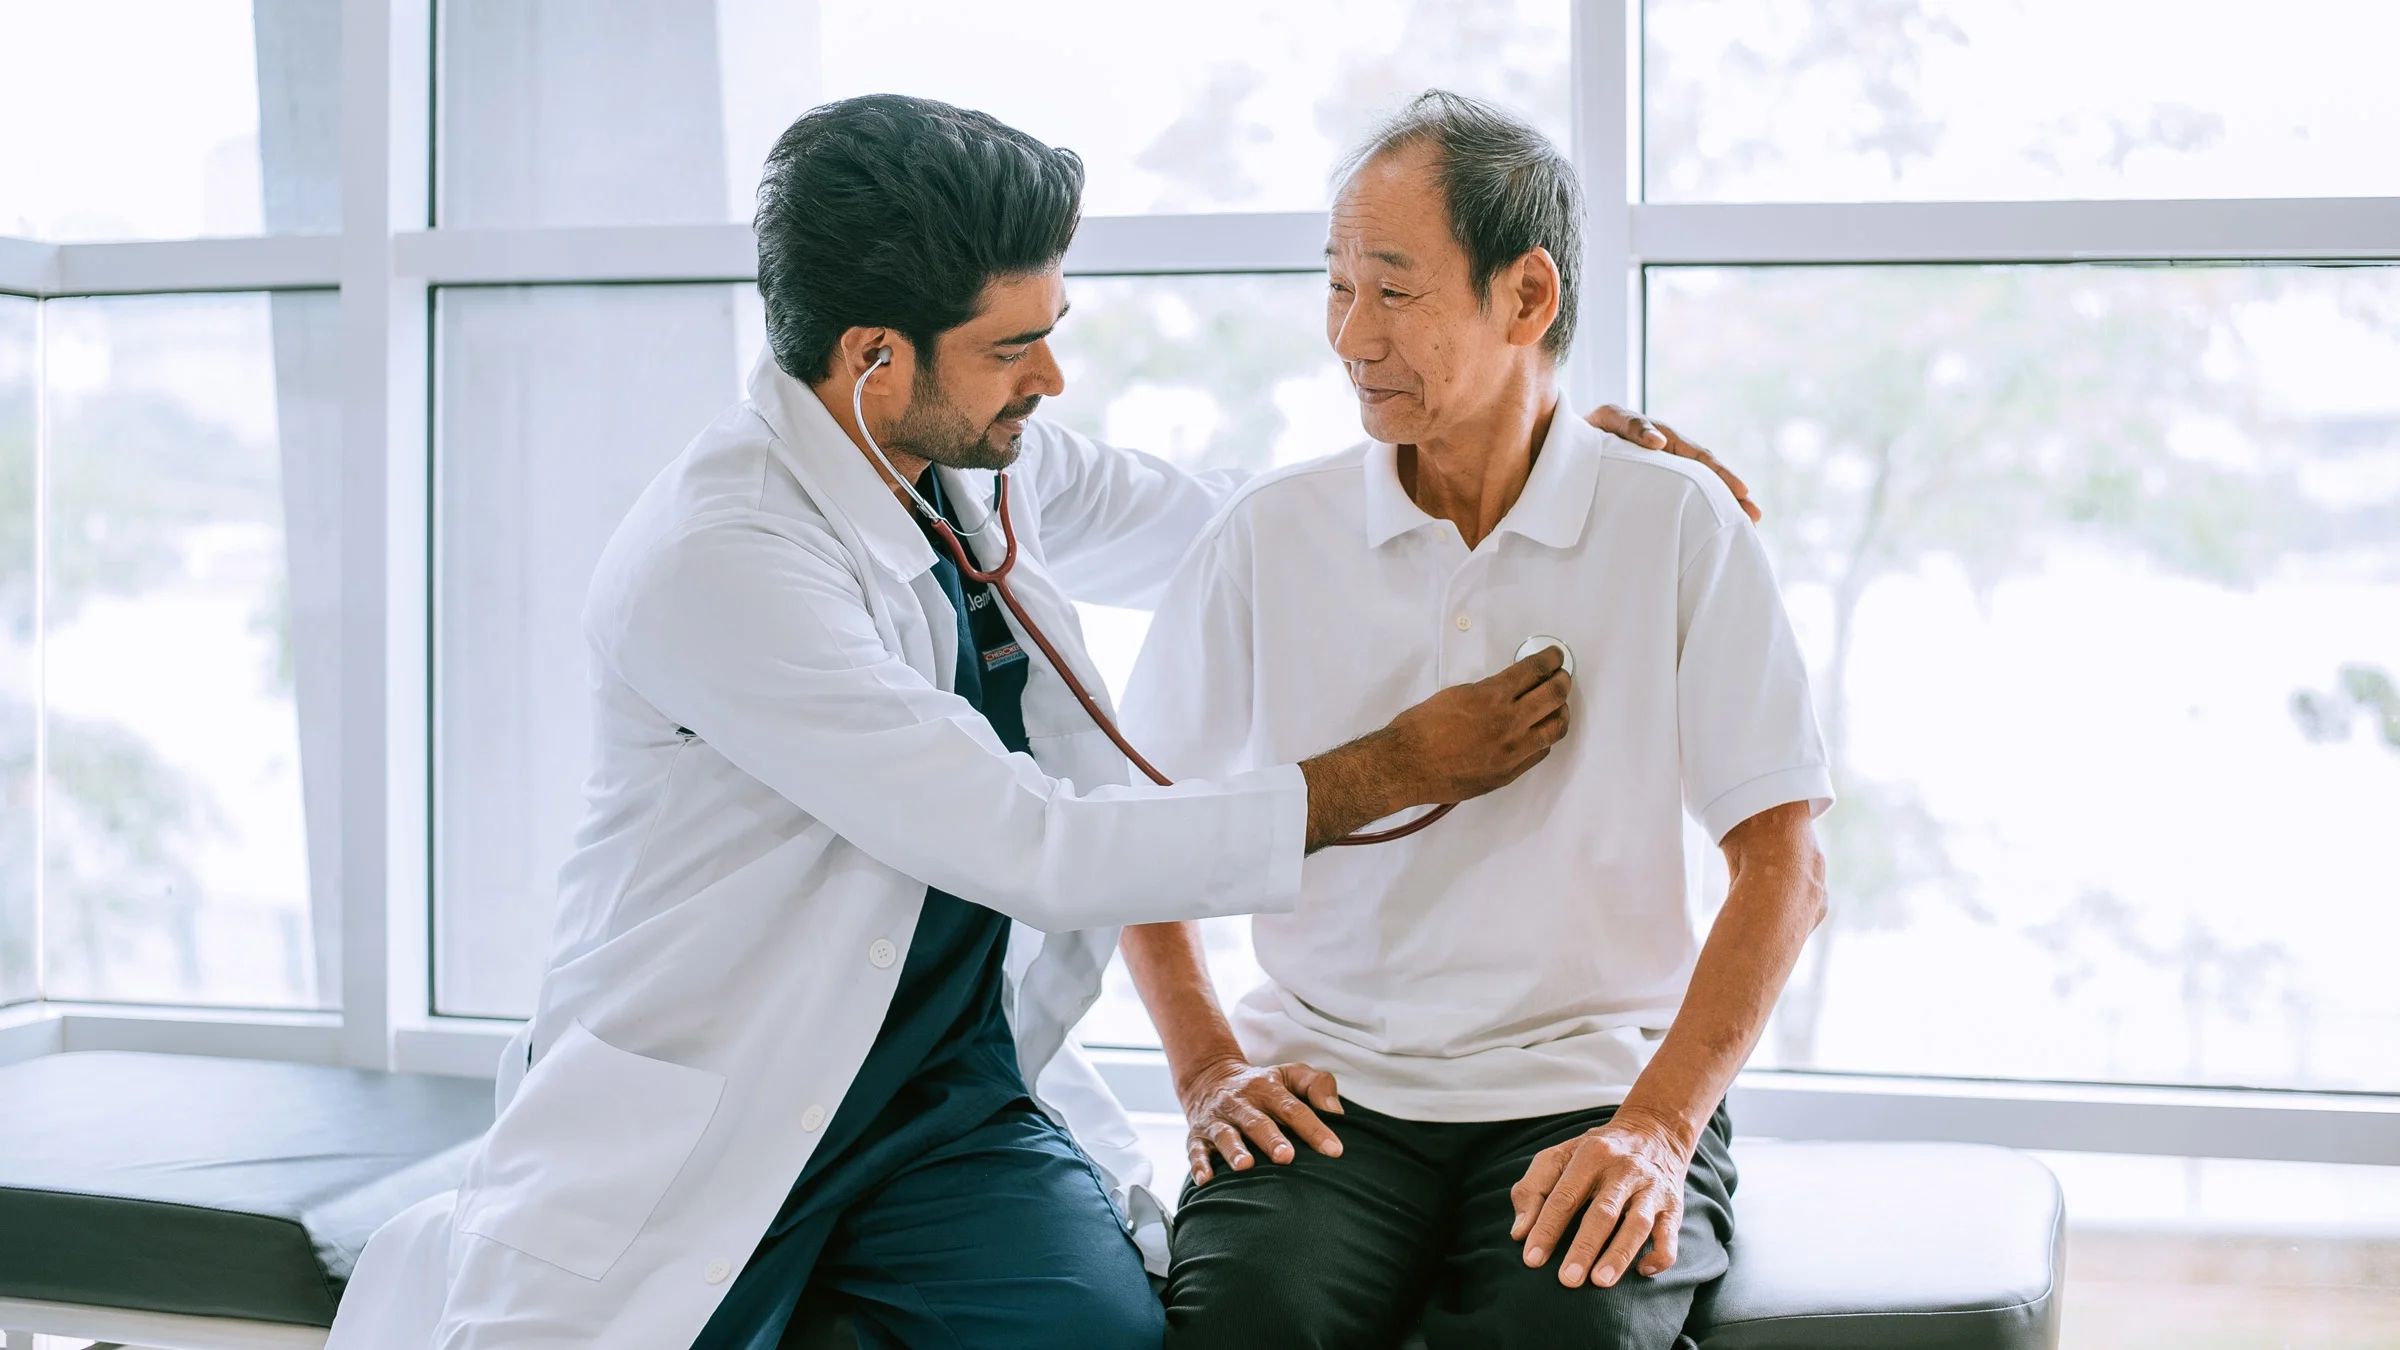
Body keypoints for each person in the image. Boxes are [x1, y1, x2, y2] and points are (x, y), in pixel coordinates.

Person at [322, 94, 1747, 1350]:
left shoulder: (976, 459)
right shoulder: (722, 559)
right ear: (876, 356)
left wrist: (1527, 438)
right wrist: (1386, 771)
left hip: (940, 1105)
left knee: (1107, 1335)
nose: (1050, 380)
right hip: (718, 1096)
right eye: (1018, 346)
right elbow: (1034, 841)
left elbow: (1251, 525)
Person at [1119, 91, 1833, 1350]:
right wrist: (1209, 1070)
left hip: (1592, 1078)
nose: (1350, 334)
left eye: (1393, 291)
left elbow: (1783, 868)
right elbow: (1139, 840)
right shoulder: (1270, 537)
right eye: (1335, 287)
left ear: (1528, 298)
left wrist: (1657, 1128)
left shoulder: (1675, 522)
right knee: (1244, 1328)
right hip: (1329, 1092)